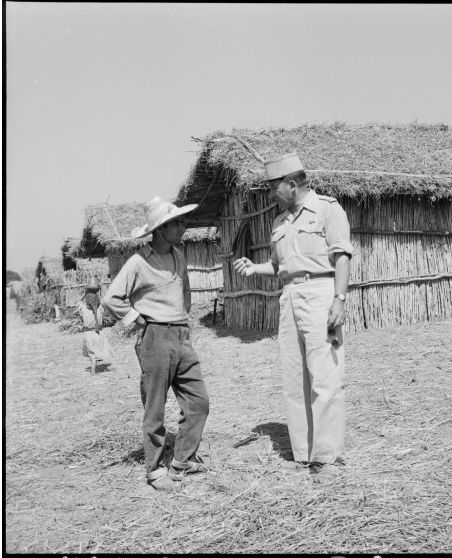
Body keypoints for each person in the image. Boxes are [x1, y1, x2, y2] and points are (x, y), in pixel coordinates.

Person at [233, 153, 353, 472]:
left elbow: (342, 257)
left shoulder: (328, 209)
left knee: (325, 375)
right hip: (289, 296)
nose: (273, 195)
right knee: (295, 376)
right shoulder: (279, 223)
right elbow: (279, 265)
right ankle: (304, 453)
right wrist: (254, 268)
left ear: (291, 183)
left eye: (275, 188)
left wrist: (339, 300)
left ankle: (327, 457)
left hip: (321, 293)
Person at [101, 196, 210, 492]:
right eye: (176, 223)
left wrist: (181, 320)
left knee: (199, 402)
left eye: (182, 221)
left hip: (181, 334)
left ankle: (183, 461)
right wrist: (136, 319)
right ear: (159, 230)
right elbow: (111, 298)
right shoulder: (138, 262)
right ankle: (155, 469)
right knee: (156, 408)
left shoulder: (179, 256)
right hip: (154, 337)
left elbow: (184, 291)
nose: (183, 226)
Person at [76, 277, 114, 374]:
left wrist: (86, 293)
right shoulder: (100, 308)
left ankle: (93, 372)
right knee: (97, 351)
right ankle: (94, 369)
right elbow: (103, 302)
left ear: (87, 302)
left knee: (92, 354)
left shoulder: (83, 308)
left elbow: (79, 303)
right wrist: (99, 293)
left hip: (88, 333)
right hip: (98, 333)